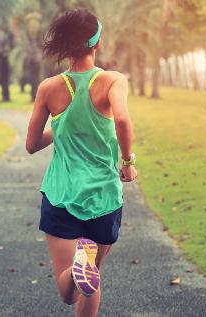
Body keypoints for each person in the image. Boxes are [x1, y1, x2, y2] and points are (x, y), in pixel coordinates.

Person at [25, 8, 137, 317]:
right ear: (96, 44)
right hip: (104, 197)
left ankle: (78, 270)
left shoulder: (49, 87)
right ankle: (82, 268)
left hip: (61, 195)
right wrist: (127, 161)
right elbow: (123, 120)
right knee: (92, 276)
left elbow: (32, 145)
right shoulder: (112, 81)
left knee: (69, 292)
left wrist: (60, 125)